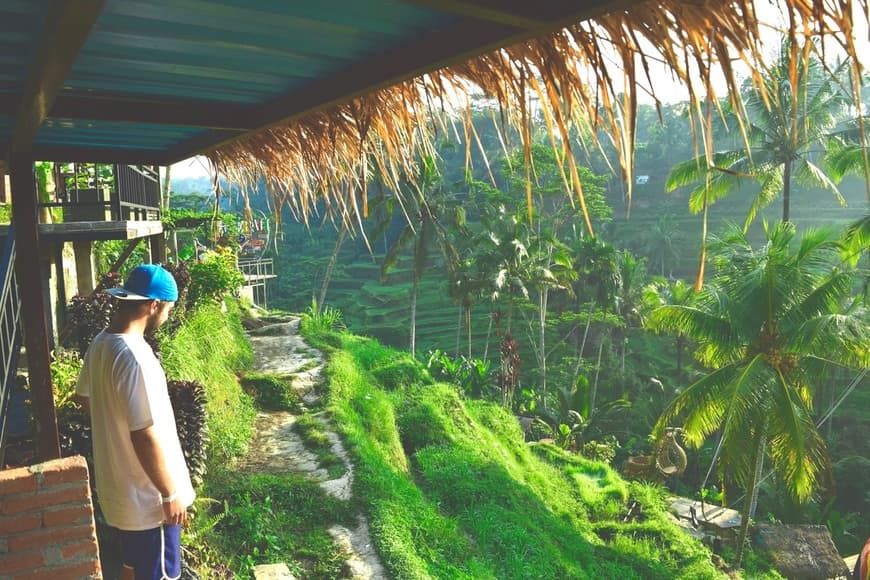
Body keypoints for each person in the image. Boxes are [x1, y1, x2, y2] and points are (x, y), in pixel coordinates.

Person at [75, 264, 195, 580]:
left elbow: (85, 399)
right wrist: (169, 494)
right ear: (153, 304)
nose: (167, 316)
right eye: (168, 308)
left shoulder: (101, 343)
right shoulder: (134, 357)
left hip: (121, 494)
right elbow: (143, 434)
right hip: (149, 503)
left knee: (131, 570)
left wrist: (112, 433)